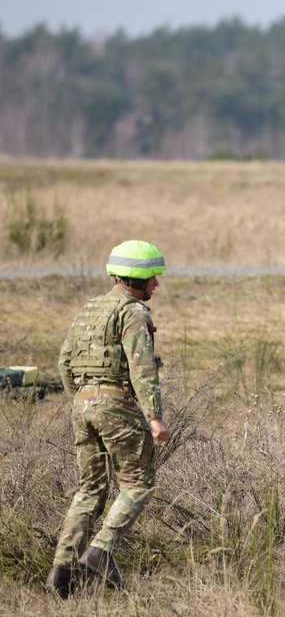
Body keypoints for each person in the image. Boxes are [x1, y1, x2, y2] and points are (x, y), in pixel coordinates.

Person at [46, 240, 171, 598]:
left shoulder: (89, 309)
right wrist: (154, 418)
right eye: (153, 279)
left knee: (90, 490)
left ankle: (61, 573)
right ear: (138, 278)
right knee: (138, 483)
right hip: (115, 405)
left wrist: (82, 402)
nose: (156, 285)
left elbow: (64, 362)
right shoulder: (133, 313)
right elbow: (142, 368)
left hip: (81, 407)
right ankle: (101, 551)